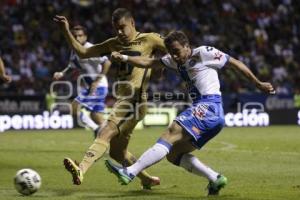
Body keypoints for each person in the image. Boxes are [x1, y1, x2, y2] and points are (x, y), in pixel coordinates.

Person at [105, 30, 275, 195]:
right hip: (213, 117)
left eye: (177, 51)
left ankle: (130, 171)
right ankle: (215, 178)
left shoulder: (204, 53)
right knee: (173, 154)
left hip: (209, 106)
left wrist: (258, 83)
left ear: (187, 46)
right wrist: (125, 57)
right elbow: (149, 62)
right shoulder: (174, 60)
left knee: (171, 132)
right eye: (171, 53)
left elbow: (235, 63)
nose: (175, 56)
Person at [54, 8, 166, 189]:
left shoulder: (149, 39)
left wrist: (162, 66)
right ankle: (146, 179)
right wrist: (66, 30)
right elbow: (82, 52)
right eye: (116, 29)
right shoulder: (112, 43)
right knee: (116, 152)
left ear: (132, 23)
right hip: (124, 99)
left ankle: (81, 169)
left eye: (123, 27)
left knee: (105, 131)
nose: (120, 32)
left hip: (135, 98)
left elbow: (175, 50)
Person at [53, 25, 110, 137]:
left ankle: (97, 130)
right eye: (75, 36)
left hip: (99, 86)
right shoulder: (74, 50)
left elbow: (107, 62)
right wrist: (62, 73)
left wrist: (97, 81)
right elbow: (71, 65)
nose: (77, 38)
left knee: (74, 107)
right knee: (95, 115)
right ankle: (107, 136)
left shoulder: (91, 49)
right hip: (92, 87)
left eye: (80, 35)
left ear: (85, 37)